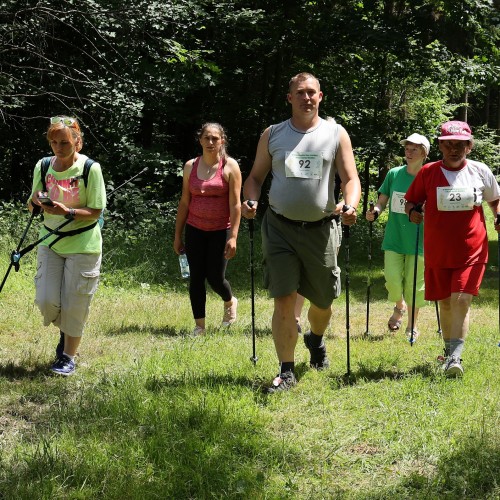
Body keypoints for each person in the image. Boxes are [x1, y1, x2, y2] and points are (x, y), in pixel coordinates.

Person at [242, 72, 361, 392]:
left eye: (312, 92)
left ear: (321, 96)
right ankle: (286, 370)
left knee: (323, 302)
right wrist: (250, 200)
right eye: (300, 92)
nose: (306, 97)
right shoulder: (273, 134)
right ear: (289, 98)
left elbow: (350, 179)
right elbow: (254, 177)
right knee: (283, 299)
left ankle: (315, 338)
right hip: (279, 227)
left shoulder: (336, 134)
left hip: (322, 230)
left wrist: (350, 205)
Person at [405, 120, 500, 376]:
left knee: (461, 299)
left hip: (472, 248)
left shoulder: (480, 171)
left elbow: (495, 200)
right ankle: (449, 352)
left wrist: (498, 216)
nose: (454, 149)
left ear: (469, 146)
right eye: (449, 145)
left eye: (460, 144)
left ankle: (456, 357)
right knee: (446, 303)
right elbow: (412, 201)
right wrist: (413, 212)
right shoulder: (428, 172)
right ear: (441, 146)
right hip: (438, 249)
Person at [29, 116, 106, 376]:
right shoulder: (42, 166)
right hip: (49, 240)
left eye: (64, 142)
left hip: (84, 243)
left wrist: (68, 211)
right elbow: (32, 201)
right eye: (53, 142)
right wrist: (37, 203)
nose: (58, 148)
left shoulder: (90, 169)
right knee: (47, 301)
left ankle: (68, 356)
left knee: (75, 303)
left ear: (77, 142)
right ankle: (68, 330)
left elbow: (96, 211)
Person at [174, 122, 242, 335]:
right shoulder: (190, 166)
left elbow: (235, 204)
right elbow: (184, 202)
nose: (211, 142)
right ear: (200, 140)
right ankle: (199, 327)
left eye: (215, 138)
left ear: (222, 140)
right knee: (196, 277)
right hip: (195, 229)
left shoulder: (230, 167)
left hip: (220, 230)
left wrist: (233, 237)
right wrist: (178, 235)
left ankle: (229, 301)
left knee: (215, 277)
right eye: (207, 138)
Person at [366, 133, 430, 341]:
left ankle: (412, 325)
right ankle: (399, 305)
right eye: (407, 148)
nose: (409, 152)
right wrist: (374, 211)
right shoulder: (394, 174)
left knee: (414, 284)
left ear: (424, 153)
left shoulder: (429, 176)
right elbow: (382, 201)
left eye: (414, 149)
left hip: (420, 240)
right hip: (394, 238)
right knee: (393, 280)